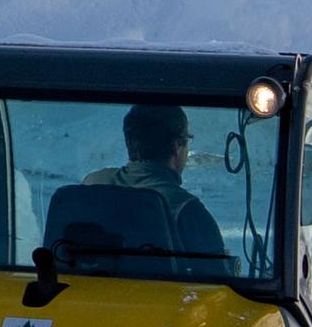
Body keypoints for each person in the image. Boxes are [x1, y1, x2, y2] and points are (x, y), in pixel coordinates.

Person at [87, 101, 231, 273]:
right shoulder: (185, 210)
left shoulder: (91, 185)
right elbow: (217, 280)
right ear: (178, 146)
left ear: (129, 142)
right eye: (187, 140)